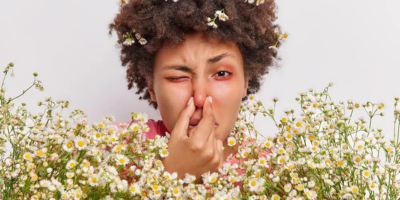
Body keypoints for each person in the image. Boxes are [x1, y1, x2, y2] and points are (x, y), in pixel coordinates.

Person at [109, 0, 283, 182]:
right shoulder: (112, 148)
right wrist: (174, 175)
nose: (199, 99)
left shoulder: (274, 173)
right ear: (151, 87)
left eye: (222, 74)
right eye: (177, 77)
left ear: (246, 82)